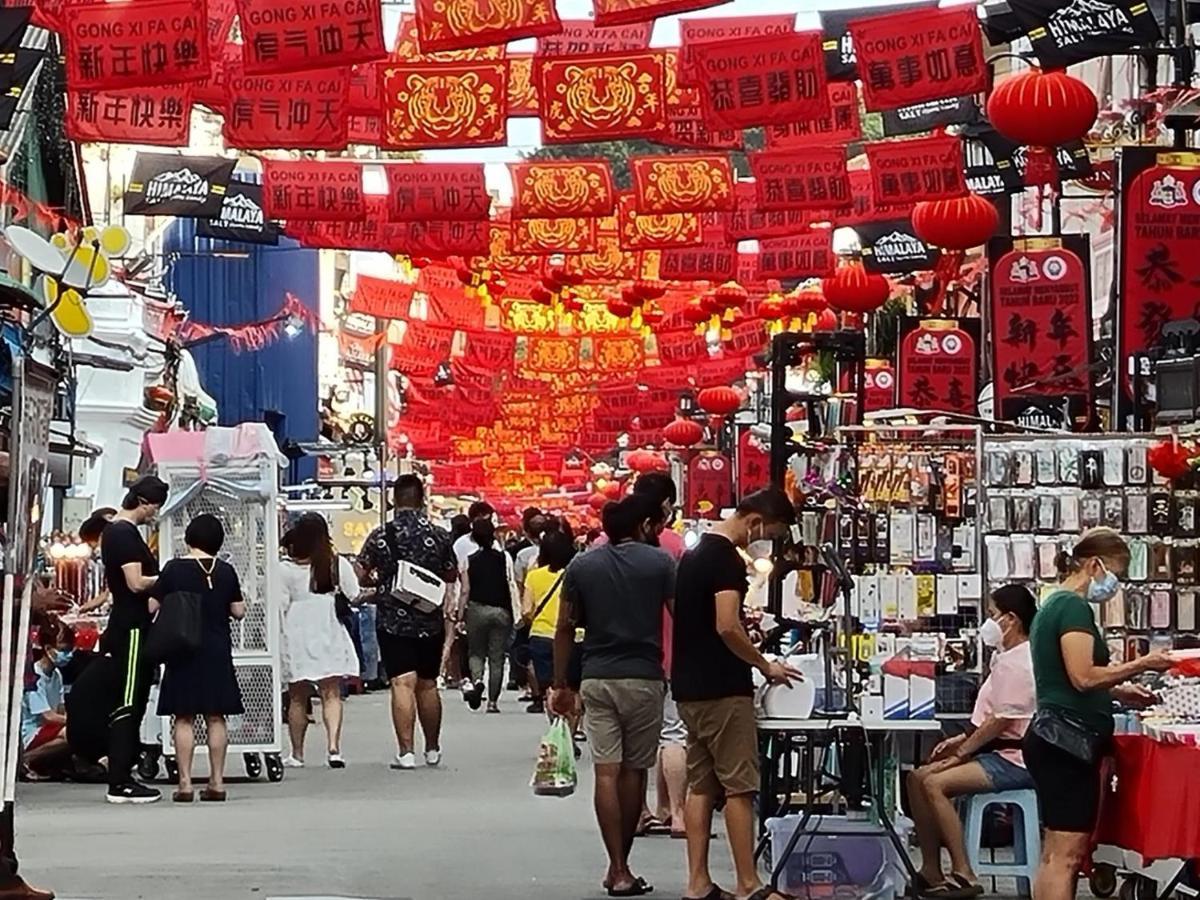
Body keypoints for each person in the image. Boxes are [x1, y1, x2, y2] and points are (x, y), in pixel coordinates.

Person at [1025, 528, 1174, 900]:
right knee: (1068, 855)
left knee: (1055, 853)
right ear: (1094, 565)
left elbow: (1065, 675)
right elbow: (1082, 676)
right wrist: (1143, 663)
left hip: (1054, 738)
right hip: (1067, 741)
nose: (1115, 585)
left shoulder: (1052, 604)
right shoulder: (1073, 606)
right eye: (1116, 573)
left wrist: (1121, 690)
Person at [672, 488, 800, 900]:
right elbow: (727, 624)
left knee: (702, 785)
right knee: (739, 786)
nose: (766, 540)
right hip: (722, 687)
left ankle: (698, 882)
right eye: (772, 532)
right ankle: (749, 884)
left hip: (689, 685)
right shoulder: (725, 559)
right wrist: (764, 664)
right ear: (757, 520)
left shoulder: (694, 554)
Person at [551, 494, 675, 898]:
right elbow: (681, 617)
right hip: (644, 678)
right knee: (635, 771)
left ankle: (617, 868)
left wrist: (560, 684)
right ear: (642, 526)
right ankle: (621, 866)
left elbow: (565, 627)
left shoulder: (582, 565)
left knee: (606, 772)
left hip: (597, 678)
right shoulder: (661, 564)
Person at [908, 585, 1040, 898]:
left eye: (993, 615)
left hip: (1015, 760)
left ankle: (963, 872)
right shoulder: (1005, 657)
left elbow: (1002, 720)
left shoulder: (1020, 662)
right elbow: (993, 715)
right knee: (916, 777)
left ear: (1010, 619)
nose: (989, 622)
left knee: (934, 784)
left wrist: (962, 752)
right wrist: (961, 740)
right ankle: (931, 869)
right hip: (996, 749)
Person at [595, 473, 689, 838]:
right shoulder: (675, 546)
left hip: (609, 659)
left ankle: (640, 812)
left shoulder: (602, 545)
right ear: (664, 506)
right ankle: (677, 813)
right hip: (665, 655)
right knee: (673, 734)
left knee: (626, 751)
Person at [358, 475, 457, 770]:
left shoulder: (380, 535)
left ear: (394, 500)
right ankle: (433, 748)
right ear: (422, 499)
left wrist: (381, 579)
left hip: (392, 618)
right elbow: (451, 574)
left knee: (402, 682)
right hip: (430, 617)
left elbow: (362, 574)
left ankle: (406, 752)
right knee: (428, 684)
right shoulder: (440, 535)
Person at [149, 514, 246, 803]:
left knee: (184, 717)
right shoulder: (226, 571)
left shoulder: (174, 569)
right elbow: (238, 611)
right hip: (216, 649)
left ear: (189, 537)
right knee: (216, 716)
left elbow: (152, 605)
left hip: (183, 649)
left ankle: (186, 783)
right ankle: (217, 781)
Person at [99, 474, 168, 804]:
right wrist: (168, 577)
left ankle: (124, 772)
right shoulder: (123, 534)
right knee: (129, 698)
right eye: (155, 506)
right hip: (131, 627)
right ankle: (120, 779)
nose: (155, 513)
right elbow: (136, 583)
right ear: (143, 502)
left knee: (137, 696)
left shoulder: (120, 532)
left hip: (137, 622)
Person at [279, 513, 360, 769]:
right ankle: (333, 747)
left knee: (297, 696)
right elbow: (354, 593)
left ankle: (297, 753)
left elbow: (280, 604)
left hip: (296, 629)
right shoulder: (335, 564)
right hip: (328, 628)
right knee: (331, 692)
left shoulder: (285, 568)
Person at [461, 517, 519, 713]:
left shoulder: (470, 560)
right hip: (501, 611)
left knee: (476, 652)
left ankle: (477, 680)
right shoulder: (505, 558)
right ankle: (493, 702)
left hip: (477, 609)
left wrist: (460, 613)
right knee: (497, 657)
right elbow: (511, 584)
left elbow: (465, 590)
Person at [524, 528, 577, 721]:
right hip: (574, 635)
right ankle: (572, 732)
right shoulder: (576, 574)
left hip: (541, 635)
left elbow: (526, 610)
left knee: (550, 687)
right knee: (572, 686)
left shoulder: (534, 576)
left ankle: (556, 725)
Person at [20, 621, 74, 781]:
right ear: (48, 649)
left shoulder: (57, 674)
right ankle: (26, 759)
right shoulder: (34, 676)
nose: (69, 654)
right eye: (64, 650)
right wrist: (75, 723)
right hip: (31, 733)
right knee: (71, 733)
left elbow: (61, 709)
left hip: (49, 729)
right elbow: (48, 716)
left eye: (70, 650)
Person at [76, 509, 116, 614]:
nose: (94, 549)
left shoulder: (118, 554)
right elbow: (109, 590)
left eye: (91, 544)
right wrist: (85, 608)